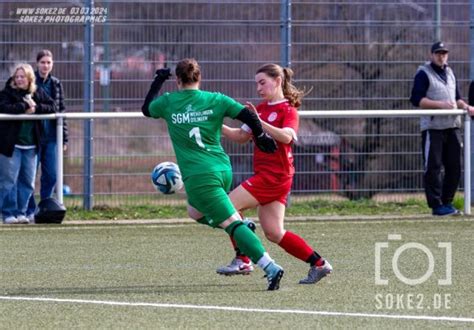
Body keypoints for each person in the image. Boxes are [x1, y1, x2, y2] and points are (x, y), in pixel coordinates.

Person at [142, 58, 285, 290]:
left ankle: (270, 267)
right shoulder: (216, 99)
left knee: (229, 223)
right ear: (199, 78)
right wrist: (260, 136)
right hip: (221, 169)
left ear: (177, 80)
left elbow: (146, 109)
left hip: (200, 176)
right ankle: (242, 225)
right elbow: (249, 115)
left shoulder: (169, 102)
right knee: (195, 211)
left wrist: (158, 80)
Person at [215, 63, 333, 284]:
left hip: (275, 176)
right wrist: (217, 124)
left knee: (227, 207)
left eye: (262, 82)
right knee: (274, 232)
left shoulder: (288, 109)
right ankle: (319, 264)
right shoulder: (260, 109)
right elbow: (241, 137)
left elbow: (287, 137)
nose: (259, 88)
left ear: (277, 81)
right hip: (269, 176)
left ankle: (243, 259)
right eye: (256, 83)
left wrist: (258, 122)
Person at [410, 41, 474, 216]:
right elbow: (417, 99)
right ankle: (436, 205)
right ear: (431, 55)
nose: (441, 56)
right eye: (438, 53)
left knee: (455, 166)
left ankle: (448, 203)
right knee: (433, 167)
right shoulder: (423, 73)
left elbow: (457, 98)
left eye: (444, 53)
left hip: (452, 126)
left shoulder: (450, 72)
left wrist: (466, 106)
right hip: (433, 128)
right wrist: (440, 105)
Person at [0, 63, 57, 224]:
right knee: (8, 180)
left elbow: (52, 106)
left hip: (31, 146)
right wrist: (25, 105)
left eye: (22, 77)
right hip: (12, 146)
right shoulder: (7, 93)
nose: (19, 80)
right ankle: (8, 213)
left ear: (29, 78)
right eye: (17, 77)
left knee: (27, 181)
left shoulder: (37, 92)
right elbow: (4, 107)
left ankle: (22, 212)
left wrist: (36, 108)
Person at [25, 50, 69, 222]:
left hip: (52, 138)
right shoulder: (30, 82)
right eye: (43, 62)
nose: (46, 65)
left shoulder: (56, 84)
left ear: (52, 64)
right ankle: (30, 210)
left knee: (51, 175)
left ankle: (45, 208)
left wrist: (64, 137)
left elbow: (61, 110)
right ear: (37, 63)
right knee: (29, 177)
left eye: (49, 62)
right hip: (34, 137)